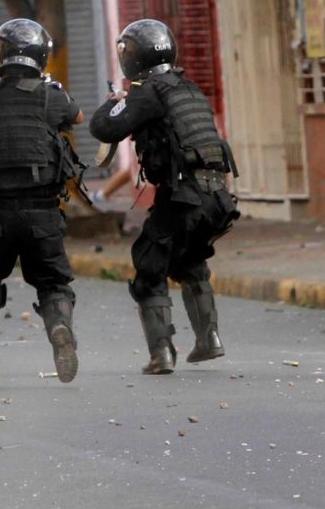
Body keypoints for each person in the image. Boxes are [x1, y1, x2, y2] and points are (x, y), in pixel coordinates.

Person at [89, 19, 240, 375]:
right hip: (218, 198)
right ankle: (210, 339)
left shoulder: (148, 92)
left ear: (133, 59)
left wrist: (115, 102)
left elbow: (103, 128)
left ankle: (162, 354)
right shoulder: (188, 89)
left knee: (148, 266)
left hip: (183, 197)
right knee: (188, 262)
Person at [0, 18, 85, 388]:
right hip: (42, 212)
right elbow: (77, 117)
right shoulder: (50, 96)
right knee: (53, 283)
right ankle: (59, 326)